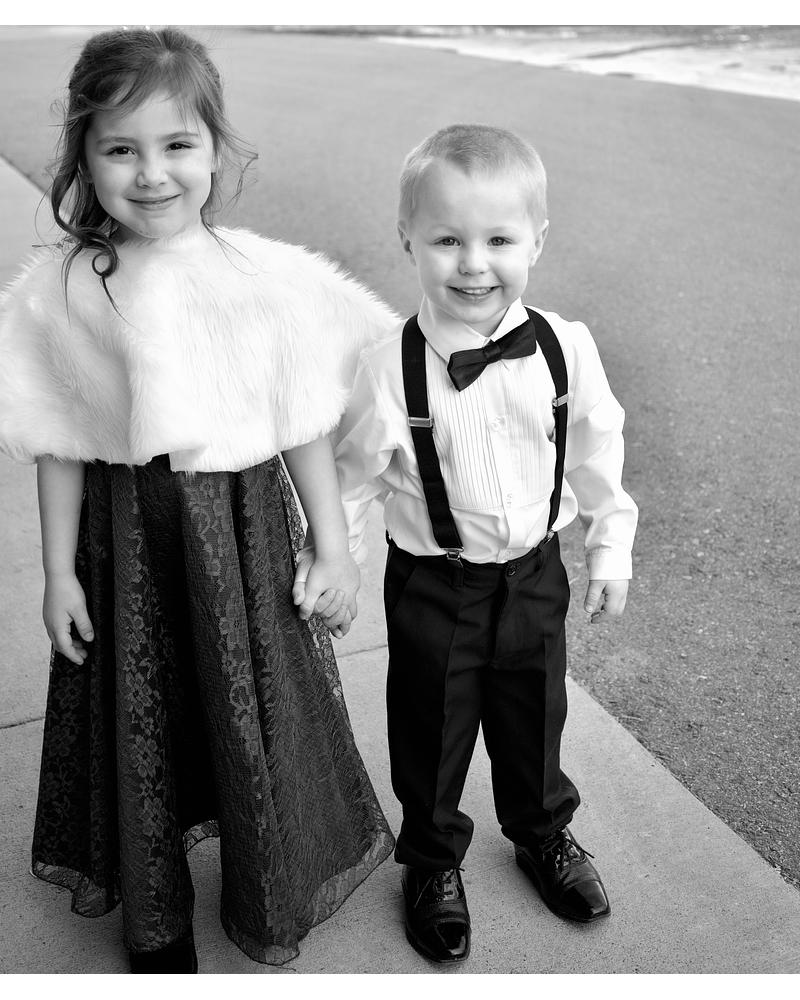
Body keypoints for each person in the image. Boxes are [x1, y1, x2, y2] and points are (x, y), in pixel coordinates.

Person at [0, 26, 397, 973]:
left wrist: (333, 547)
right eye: (120, 149)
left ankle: (263, 883)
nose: (152, 174)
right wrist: (58, 573)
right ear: (84, 158)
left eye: (177, 144)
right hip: (125, 538)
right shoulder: (63, 289)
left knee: (248, 694)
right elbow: (58, 438)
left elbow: (300, 418)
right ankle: (156, 909)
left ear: (217, 149)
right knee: (142, 697)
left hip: (243, 530)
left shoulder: (256, 278)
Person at [323, 124, 639, 963]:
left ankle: (542, 832)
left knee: (536, 712)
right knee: (431, 726)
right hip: (436, 581)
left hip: (536, 572)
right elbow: (353, 477)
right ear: (408, 240)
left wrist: (610, 546)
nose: (473, 264)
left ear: (537, 240)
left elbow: (598, 448)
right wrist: (338, 562)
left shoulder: (566, 347)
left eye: (499, 240)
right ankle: (431, 860)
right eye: (447, 241)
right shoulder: (389, 367)